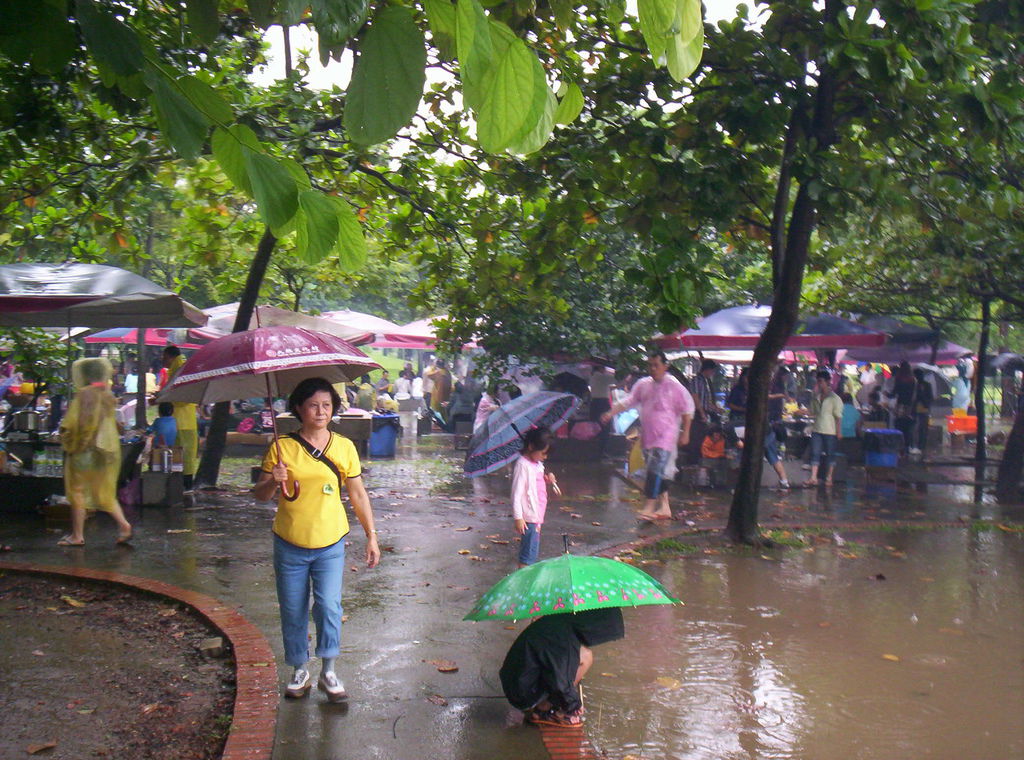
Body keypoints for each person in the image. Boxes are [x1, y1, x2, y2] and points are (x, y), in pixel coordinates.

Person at [253, 378, 380, 702]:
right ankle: (299, 669)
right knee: (293, 609)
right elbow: (260, 496)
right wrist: (273, 481)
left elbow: (357, 494)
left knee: (328, 606)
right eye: (313, 405)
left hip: (330, 542)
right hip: (289, 541)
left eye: (326, 405)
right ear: (299, 408)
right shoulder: (283, 447)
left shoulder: (343, 446)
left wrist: (371, 536)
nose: (320, 411)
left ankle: (329, 669)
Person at [601, 351, 694, 521]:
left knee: (655, 468)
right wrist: (610, 412)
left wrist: (686, 432)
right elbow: (629, 401)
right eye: (650, 365)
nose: (652, 369)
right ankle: (664, 506)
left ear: (665, 366)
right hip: (648, 435)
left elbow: (687, 409)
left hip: (666, 435)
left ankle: (649, 505)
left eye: (656, 365)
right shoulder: (644, 384)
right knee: (660, 471)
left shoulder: (673, 385)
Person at [500, 607, 624, 727]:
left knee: (582, 654)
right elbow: (560, 679)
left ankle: (547, 704)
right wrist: (573, 705)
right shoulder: (563, 640)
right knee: (585, 657)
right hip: (522, 694)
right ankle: (543, 709)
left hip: (517, 681)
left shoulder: (560, 623)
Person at [58, 358, 133, 546]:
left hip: (85, 450)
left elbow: (81, 422)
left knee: (77, 492)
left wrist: (72, 441)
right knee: (104, 492)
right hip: (105, 451)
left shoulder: (86, 394)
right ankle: (124, 525)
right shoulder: (106, 394)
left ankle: (77, 535)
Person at [512, 427, 558, 567]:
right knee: (528, 554)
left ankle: (527, 576)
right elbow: (516, 494)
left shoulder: (537, 464)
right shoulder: (523, 465)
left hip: (537, 515)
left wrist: (547, 479)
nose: (545, 457)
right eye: (543, 453)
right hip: (529, 517)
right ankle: (523, 579)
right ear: (531, 446)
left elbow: (535, 483)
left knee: (532, 550)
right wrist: (518, 517)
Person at [159, 345, 199, 491]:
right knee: (182, 455)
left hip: (182, 422)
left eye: (164, 357)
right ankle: (182, 485)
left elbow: (183, 398)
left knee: (183, 455)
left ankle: (186, 486)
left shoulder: (180, 370)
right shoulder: (178, 370)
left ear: (170, 356)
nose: (162, 360)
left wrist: (164, 400)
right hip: (182, 421)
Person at [805, 370, 843, 487]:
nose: (819, 384)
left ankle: (829, 477)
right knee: (815, 453)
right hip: (817, 429)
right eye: (818, 381)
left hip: (830, 430)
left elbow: (838, 417)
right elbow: (812, 412)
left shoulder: (834, 398)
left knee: (830, 454)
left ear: (827, 382)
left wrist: (838, 431)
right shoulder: (816, 397)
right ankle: (813, 477)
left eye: (821, 381)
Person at [888, 361, 918, 451]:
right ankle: (908, 446)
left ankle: (899, 447)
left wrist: (887, 394)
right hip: (910, 407)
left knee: (899, 426)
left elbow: (894, 394)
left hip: (900, 406)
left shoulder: (899, 379)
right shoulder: (913, 380)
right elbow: (914, 394)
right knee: (908, 428)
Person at [911, 368, 933, 455]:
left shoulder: (926, 385)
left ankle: (921, 445)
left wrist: (922, 395)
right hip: (915, 408)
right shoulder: (914, 385)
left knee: (922, 428)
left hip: (924, 408)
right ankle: (916, 444)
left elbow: (929, 397)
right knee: (915, 428)